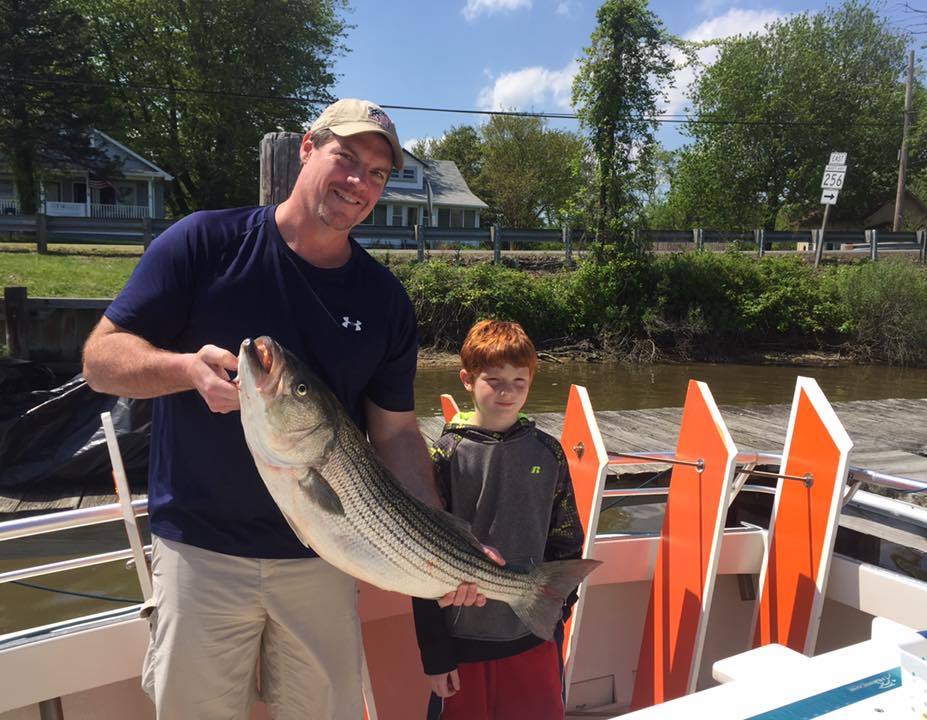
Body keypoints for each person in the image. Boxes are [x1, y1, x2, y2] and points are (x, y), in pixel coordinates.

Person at [82, 98, 497, 720]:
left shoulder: (384, 301)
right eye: (346, 158)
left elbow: (398, 436)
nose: (359, 183)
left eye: (378, 174)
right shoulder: (204, 243)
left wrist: (445, 540)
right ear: (307, 148)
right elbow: (100, 359)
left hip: (323, 557)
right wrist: (183, 370)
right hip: (200, 551)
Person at [412, 319, 586, 720]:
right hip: (462, 644)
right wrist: (436, 656)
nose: (507, 392)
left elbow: (566, 542)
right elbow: (420, 563)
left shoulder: (550, 453)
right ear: (467, 380)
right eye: (494, 380)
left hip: (533, 639)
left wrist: (557, 613)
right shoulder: (443, 456)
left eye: (519, 382)